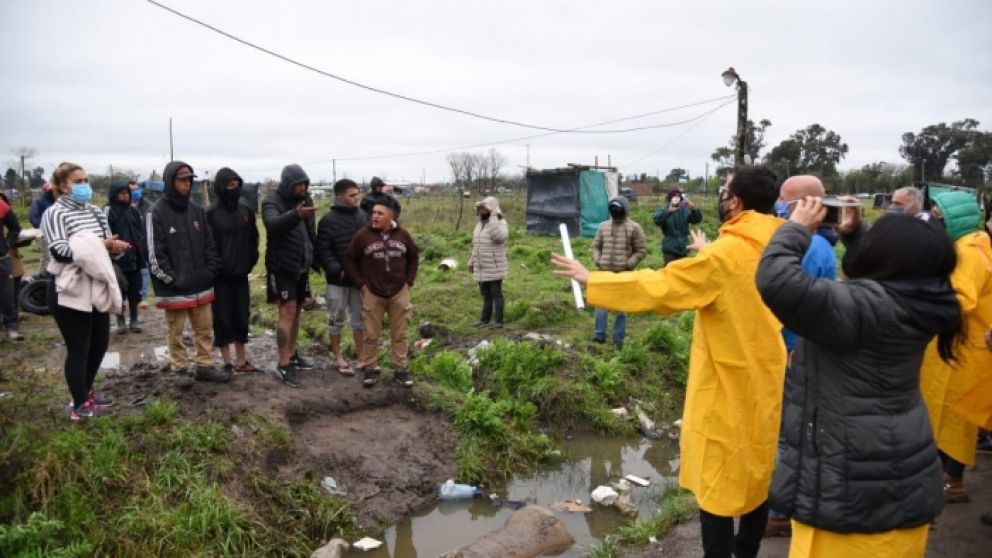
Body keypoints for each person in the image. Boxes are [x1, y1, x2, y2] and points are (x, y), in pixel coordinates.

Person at [553, 166, 786, 558]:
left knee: (717, 482)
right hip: (767, 376)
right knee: (756, 473)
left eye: (726, 190)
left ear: (738, 201)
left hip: (727, 383)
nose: (722, 196)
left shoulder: (727, 254)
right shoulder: (780, 245)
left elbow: (662, 286)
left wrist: (595, 280)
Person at [756, 199, 962, 557]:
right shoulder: (923, 298)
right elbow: (885, 271)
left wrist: (795, 229)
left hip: (855, 493)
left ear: (888, 257)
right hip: (892, 475)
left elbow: (778, 283)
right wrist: (856, 236)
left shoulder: (867, 307)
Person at [765, 175, 837, 537]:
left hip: (788, 351)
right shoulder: (823, 246)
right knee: (802, 432)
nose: (777, 205)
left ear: (800, 204)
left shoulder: (798, 246)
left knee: (784, 434)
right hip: (810, 350)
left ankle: (778, 512)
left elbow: (778, 299)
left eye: (782, 200)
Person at [919, 191, 992, 503]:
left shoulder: (969, 252)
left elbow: (961, 298)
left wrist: (916, 309)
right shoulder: (971, 244)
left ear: (952, 218)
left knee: (955, 416)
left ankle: (954, 482)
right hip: (956, 343)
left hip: (963, 347)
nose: (932, 219)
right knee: (943, 412)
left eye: (937, 214)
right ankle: (945, 476)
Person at [43, 162, 130, 420]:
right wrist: (98, 246)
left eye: (86, 180)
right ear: (62, 186)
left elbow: (103, 245)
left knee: (99, 343)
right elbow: (59, 250)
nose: (84, 185)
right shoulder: (55, 213)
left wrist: (113, 247)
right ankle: (79, 405)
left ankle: (87, 392)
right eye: (78, 181)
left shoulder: (94, 211)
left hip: (96, 284)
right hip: (69, 288)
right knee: (79, 346)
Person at [147, 161, 227, 384]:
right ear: (170, 181)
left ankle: (205, 365)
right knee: (176, 331)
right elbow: (154, 254)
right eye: (182, 179)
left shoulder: (197, 211)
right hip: (175, 288)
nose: (187, 184)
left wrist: (210, 271)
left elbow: (209, 244)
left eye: (189, 179)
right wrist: (171, 279)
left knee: (204, 329)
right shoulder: (156, 213)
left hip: (201, 284)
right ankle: (180, 367)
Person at [346, 197, 419, 388]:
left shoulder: (403, 235)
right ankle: (370, 368)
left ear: (391, 216)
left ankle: (400, 369)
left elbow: (413, 257)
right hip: (372, 292)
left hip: (398, 291)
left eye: (380, 213)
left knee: (400, 333)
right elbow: (350, 260)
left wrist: (408, 282)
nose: (374, 216)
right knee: (370, 333)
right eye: (373, 213)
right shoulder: (362, 236)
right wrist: (361, 285)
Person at [262, 163, 318, 388]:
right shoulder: (271, 201)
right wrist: (295, 214)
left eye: (305, 184)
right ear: (288, 184)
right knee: (286, 312)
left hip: (301, 266)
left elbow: (310, 232)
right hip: (282, 266)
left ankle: (293, 354)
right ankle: (283, 364)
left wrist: (316, 259)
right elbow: (272, 225)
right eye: (298, 185)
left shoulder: (306, 201)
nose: (302, 188)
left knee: (297, 313)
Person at [206, 167, 261, 376]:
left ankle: (241, 360)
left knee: (241, 316)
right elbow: (207, 246)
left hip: (241, 275)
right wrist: (215, 268)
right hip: (219, 277)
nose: (234, 189)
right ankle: (227, 362)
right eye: (230, 185)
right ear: (221, 187)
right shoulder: (210, 214)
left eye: (237, 185)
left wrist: (251, 260)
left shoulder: (246, 210)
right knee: (222, 317)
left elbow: (254, 238)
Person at [316, 178, 368, 376]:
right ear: (340, 196)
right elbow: (323, 249)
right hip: (337, 280)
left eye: (357, 194)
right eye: (352, 195)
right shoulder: (328, 220)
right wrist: (337, 269)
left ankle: (362, 358)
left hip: (359, 281)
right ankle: (338, 357)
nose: (357, 198)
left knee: (360, 319)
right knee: (336, 318)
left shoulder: (363, 217)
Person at [591, 197, 646, 348]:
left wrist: (629, 263)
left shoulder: (634, 227)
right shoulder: (603, 226)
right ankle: (599, 335)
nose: (616, 211)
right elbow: (595, 246)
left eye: (618, 208)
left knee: (621, 308)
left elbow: (641, 250)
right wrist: (598, 259)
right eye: (613, 208)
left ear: (625, 209)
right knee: (600, 304)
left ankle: (618, 338)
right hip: (603, 271)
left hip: (624, 274)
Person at [105, 180, 146, 334]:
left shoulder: (133, 211)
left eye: (127, 193)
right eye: (122, 193)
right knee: (119, 289)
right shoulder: (109, 211)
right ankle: (120, 320)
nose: (126, 196)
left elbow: (140, 232)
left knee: (135, 289)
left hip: (134, 257)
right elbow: (105, 233)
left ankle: (134, 319)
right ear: (115, 195)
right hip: (117, 259)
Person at [469, 196, 509, 329]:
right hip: (481, 265)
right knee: (485, 294)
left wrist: (493, 218)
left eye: (484, 208)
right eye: (479, 208)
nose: (481, 210)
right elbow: (477, 245)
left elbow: (498, 237)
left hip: (494, 265)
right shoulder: (479, 224)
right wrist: (472, 261)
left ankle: (498, 321)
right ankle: (484, 320)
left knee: (496, 293)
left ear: (492, 208)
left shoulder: (500, 222)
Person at [652, 187, 702, 265]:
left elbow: (696, 220)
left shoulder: (684, 210)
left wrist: (694, 209)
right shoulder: (664, 209)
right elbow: (656, 220)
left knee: (682, 273)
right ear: (670, 198)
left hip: (683, 248)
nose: (677, 199)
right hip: (670, 249)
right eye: (674, 197)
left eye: (678, 197)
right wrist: (668, 212)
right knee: (671, 273)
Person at [0, 192, 23, 340]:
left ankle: (11, 327)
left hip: (1, 258)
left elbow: (15, 227)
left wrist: (8, 243)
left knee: (7, 295)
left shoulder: (1, 206)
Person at [129, 180, 152, 309]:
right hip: (128, 244)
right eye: (132, 190)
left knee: (144, 271)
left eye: (136, 189)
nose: (135, 192)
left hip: (143, 243)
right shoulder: (122, 206)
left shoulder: (147, 206)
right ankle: (126, 299)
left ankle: (143, 298)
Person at [29, 181, 56, 274]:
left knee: (54, 257)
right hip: (45, 234)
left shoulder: (57, 202)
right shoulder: (38, 201)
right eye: (51, 191)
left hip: (58, 233)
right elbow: (34, 218)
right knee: (47, 257)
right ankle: (43, 277)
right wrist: (44, 228)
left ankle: (46, 275)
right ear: (47, 191)